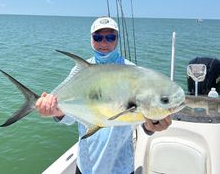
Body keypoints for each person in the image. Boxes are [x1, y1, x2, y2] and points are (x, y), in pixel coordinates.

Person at [36, 16, 171, 174]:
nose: (104, 43)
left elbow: (142, 118)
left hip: (121, 165)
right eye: (98, 37)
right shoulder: (80, 71)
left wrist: (151, 126)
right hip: (86, 164)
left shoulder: (133, 71)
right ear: (91, 39)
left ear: (117, 39)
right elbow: (69, 115)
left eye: (110, 37)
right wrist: (54, 110)